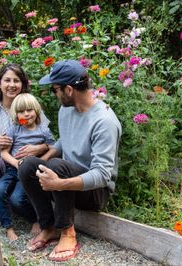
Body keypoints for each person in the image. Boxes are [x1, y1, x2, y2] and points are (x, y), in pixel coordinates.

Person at [18, 60, 122, 262]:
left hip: (94, 193)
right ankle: (49, 227)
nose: (54, 94)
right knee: (28, 165)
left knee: (58, 166)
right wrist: (41, 162)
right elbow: (65, 140)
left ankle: (68, 233)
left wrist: (59, 184)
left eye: (54, 90)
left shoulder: (104, 121)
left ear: (68, 89)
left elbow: (102, 175)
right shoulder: (66, 110)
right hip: (65, 181)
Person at [0, 63, 50, 231]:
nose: (12, 85)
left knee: (18, 192)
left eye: (17, 80)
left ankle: (16, 208)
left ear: (23, 84)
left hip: (25, 165)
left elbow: (49, 140)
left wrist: (39, 148)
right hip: (1, 166)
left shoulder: (32, 110)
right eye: (7, 80)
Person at [0, 93, 55, 241]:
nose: (26, 114)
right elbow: (4, 153)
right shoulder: (14, 129)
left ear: (36, 110)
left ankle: (35, 219)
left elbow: (54, 147)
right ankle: (8, 227)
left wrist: (42, 160)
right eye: (21, 111)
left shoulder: (43, 130)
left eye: (29, 110)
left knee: (17, 199)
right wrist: (16, 163)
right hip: (13, 169)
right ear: (16, 114)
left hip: (29, 173)